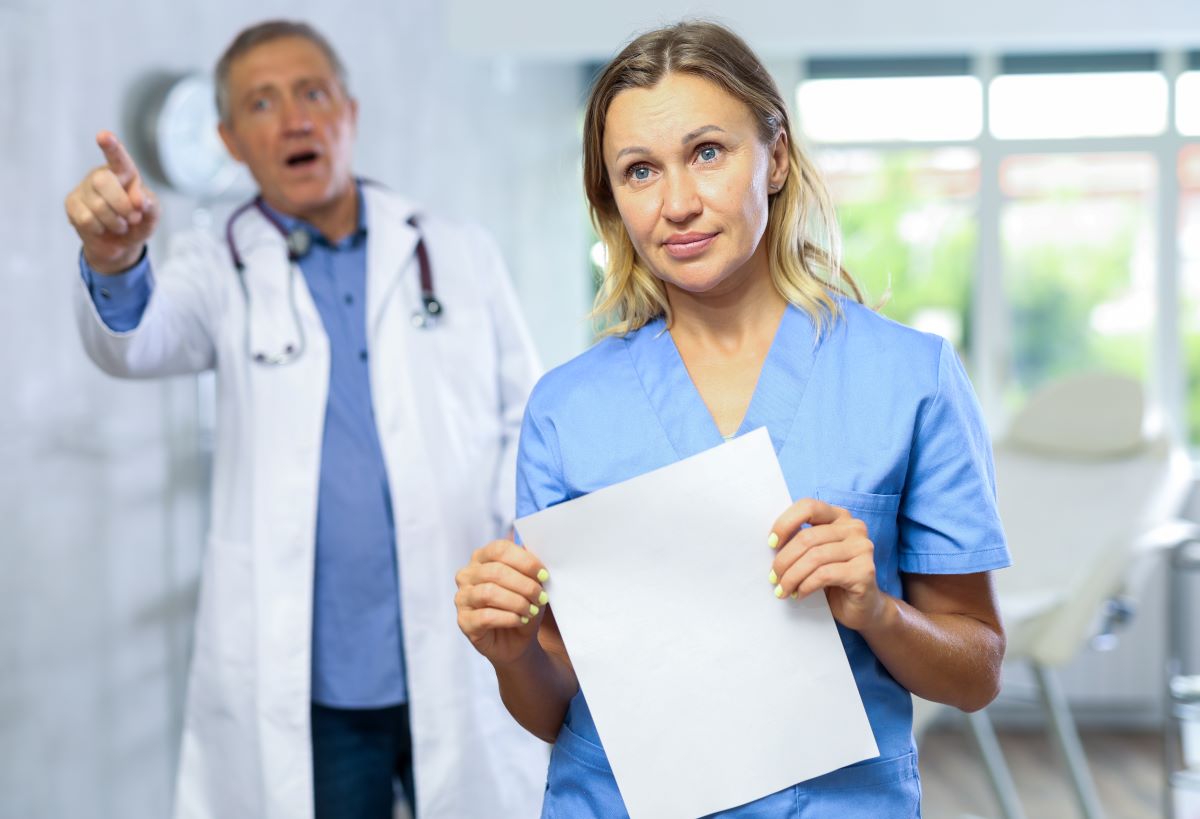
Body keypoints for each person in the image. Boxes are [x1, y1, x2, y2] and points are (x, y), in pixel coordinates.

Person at [454, 20, 1010, 818]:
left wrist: (874, 611)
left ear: (775, 157)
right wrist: (510, 655)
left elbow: (978, 671)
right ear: (611, 198)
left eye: (708, 152)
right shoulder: (567, 408)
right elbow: (551, 703)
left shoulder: (908, 379)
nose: (678, 203)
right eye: (640, 171)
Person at [64, 19, 548, 819]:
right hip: (317, 680)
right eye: (262, 102)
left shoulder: (455, 250)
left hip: (462, 647)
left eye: (312, 93)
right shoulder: (215, 260)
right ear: (230, 138)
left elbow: (524, 417)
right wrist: (115, 257)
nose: (294, 118)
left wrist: (512, 535)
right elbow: (138, 341)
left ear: (349, 112)